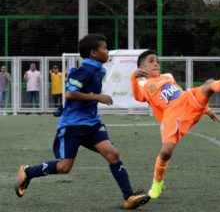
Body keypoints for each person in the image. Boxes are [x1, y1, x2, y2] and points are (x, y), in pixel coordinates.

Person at [15, 34, 150, 209]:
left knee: (112, 153)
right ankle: (27, 172)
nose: (107, 51)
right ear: (94, 53)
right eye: (105, 48)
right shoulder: (84, 70)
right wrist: (97, 97)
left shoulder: (98, 69)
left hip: (92, 124)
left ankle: (129, 197)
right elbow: (70, 94)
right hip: (73, 125)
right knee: (64, 167)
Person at [131, 50, 220, 199]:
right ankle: (157, 184)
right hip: (171, 115)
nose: (156, 63)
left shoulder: (167, 76)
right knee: (166, 152)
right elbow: (138, 97)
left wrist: (206, 110)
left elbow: (178, 92)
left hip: (186, 99)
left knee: (208, 84)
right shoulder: (145, 86)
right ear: (141, 68)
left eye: (157, 61)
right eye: (151, 61)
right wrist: (133, 78)